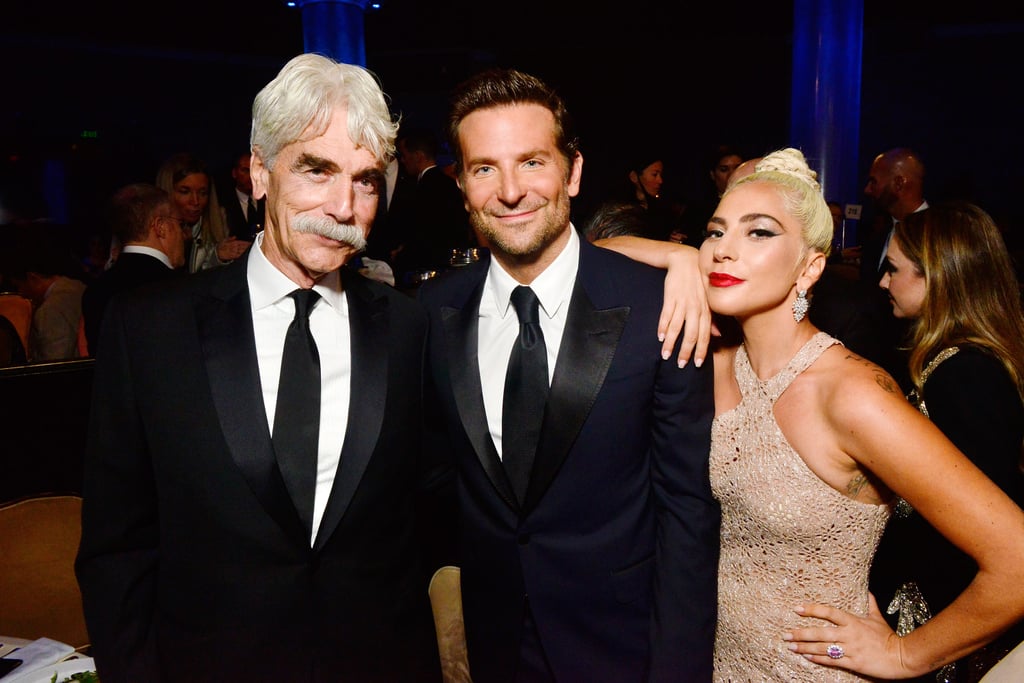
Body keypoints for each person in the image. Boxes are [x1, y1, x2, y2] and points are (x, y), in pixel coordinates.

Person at [76, 53, 445, 683]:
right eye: (316, 169)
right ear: (260, 169)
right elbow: (118, 549)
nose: (343, 205)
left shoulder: (409, 328)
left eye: (364, 180)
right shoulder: (150, 330)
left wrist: (664, 258)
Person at [597, 148, 1024, 681]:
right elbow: (592, 255)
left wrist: (903, 655)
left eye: (759, 233)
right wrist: (682, 258)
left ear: (811, 266)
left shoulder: (850, 394)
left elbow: (1017, 559)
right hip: (714, 663)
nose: (725, 250)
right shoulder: (714, 362)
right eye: (716, 231)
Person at [417, 67, 719, 683]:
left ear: (573, 172)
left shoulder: (658, 308)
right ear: (462, 184)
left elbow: (687, 510)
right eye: (484, 169)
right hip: (493, 646)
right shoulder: (429, 314)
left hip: (622, 648)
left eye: (532, 162)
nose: (509, 191)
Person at [870, 201, 1024, 682]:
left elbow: (985, 527)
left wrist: (913, 644)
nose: (881, 282)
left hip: (940, 615)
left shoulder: (965, 372)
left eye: (893, 269)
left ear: (935, 275)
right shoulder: (949, 360)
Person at [80, 183, 188, 356]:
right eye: (180, 224)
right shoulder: (179, 289)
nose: (184, 234)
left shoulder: (95, 291)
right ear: (160, 227)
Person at [390, 125, 473, 282]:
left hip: (427, 270)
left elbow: (424, 234)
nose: (402, 160)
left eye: (405, 155)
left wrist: (401, 254)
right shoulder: (450, 184)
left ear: (418, 156)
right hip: (453, 268)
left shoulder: (422, 189)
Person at [2, 223, 86, 362]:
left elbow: (53, 364)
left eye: (19, 286)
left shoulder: (51, 310)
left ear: (32, 278)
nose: (21, 294)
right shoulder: (78, 287)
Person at [155, 151, 251, 273]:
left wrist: (216, 258)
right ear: (168, 191)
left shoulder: (219, 226)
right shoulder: (153, 233)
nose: (195, 201)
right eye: (185, 191)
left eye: (203, 193)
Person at [222, 150, 265, 241]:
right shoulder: (223, 204)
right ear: (234, 173)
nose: (251, 176)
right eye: (245, 170)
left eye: (254, 170)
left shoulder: (266, 200)